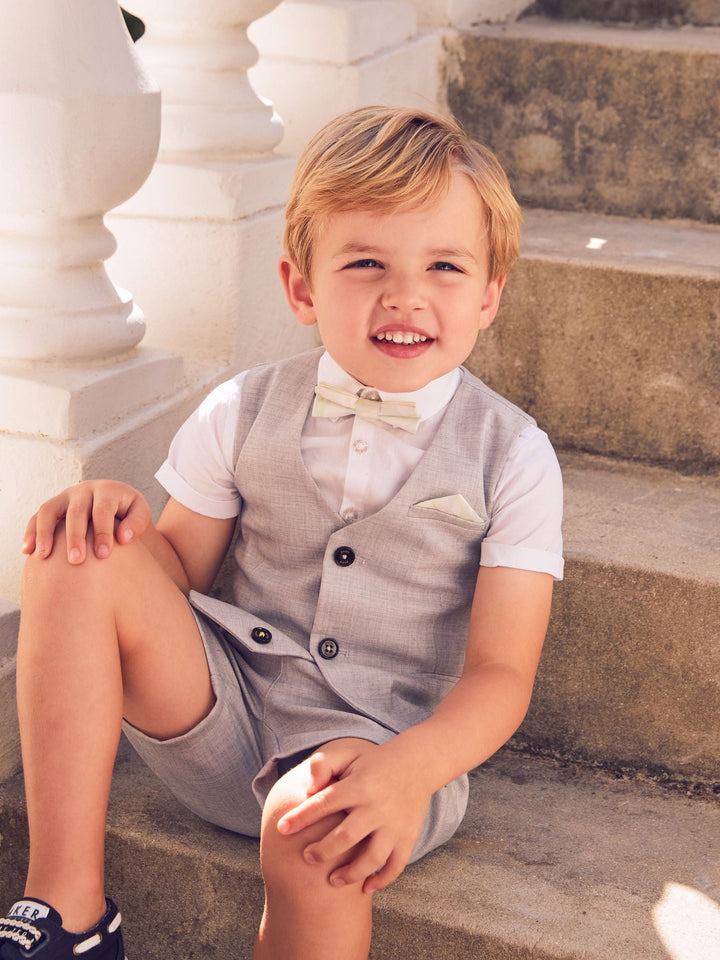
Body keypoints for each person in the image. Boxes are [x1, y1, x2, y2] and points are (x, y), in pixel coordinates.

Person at [0, 106, 563, 960]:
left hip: (382, 752)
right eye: (366, 262)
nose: (405, 293)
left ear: (489, 295)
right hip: (220, 717)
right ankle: (65, 914)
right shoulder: (241, 409)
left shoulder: (514, 455)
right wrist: (117, 519)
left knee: (315, 821)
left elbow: (501, 673)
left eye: (444, 266)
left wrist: (409, 772)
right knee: (79, 546)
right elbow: (175, 578)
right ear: (301, 288)